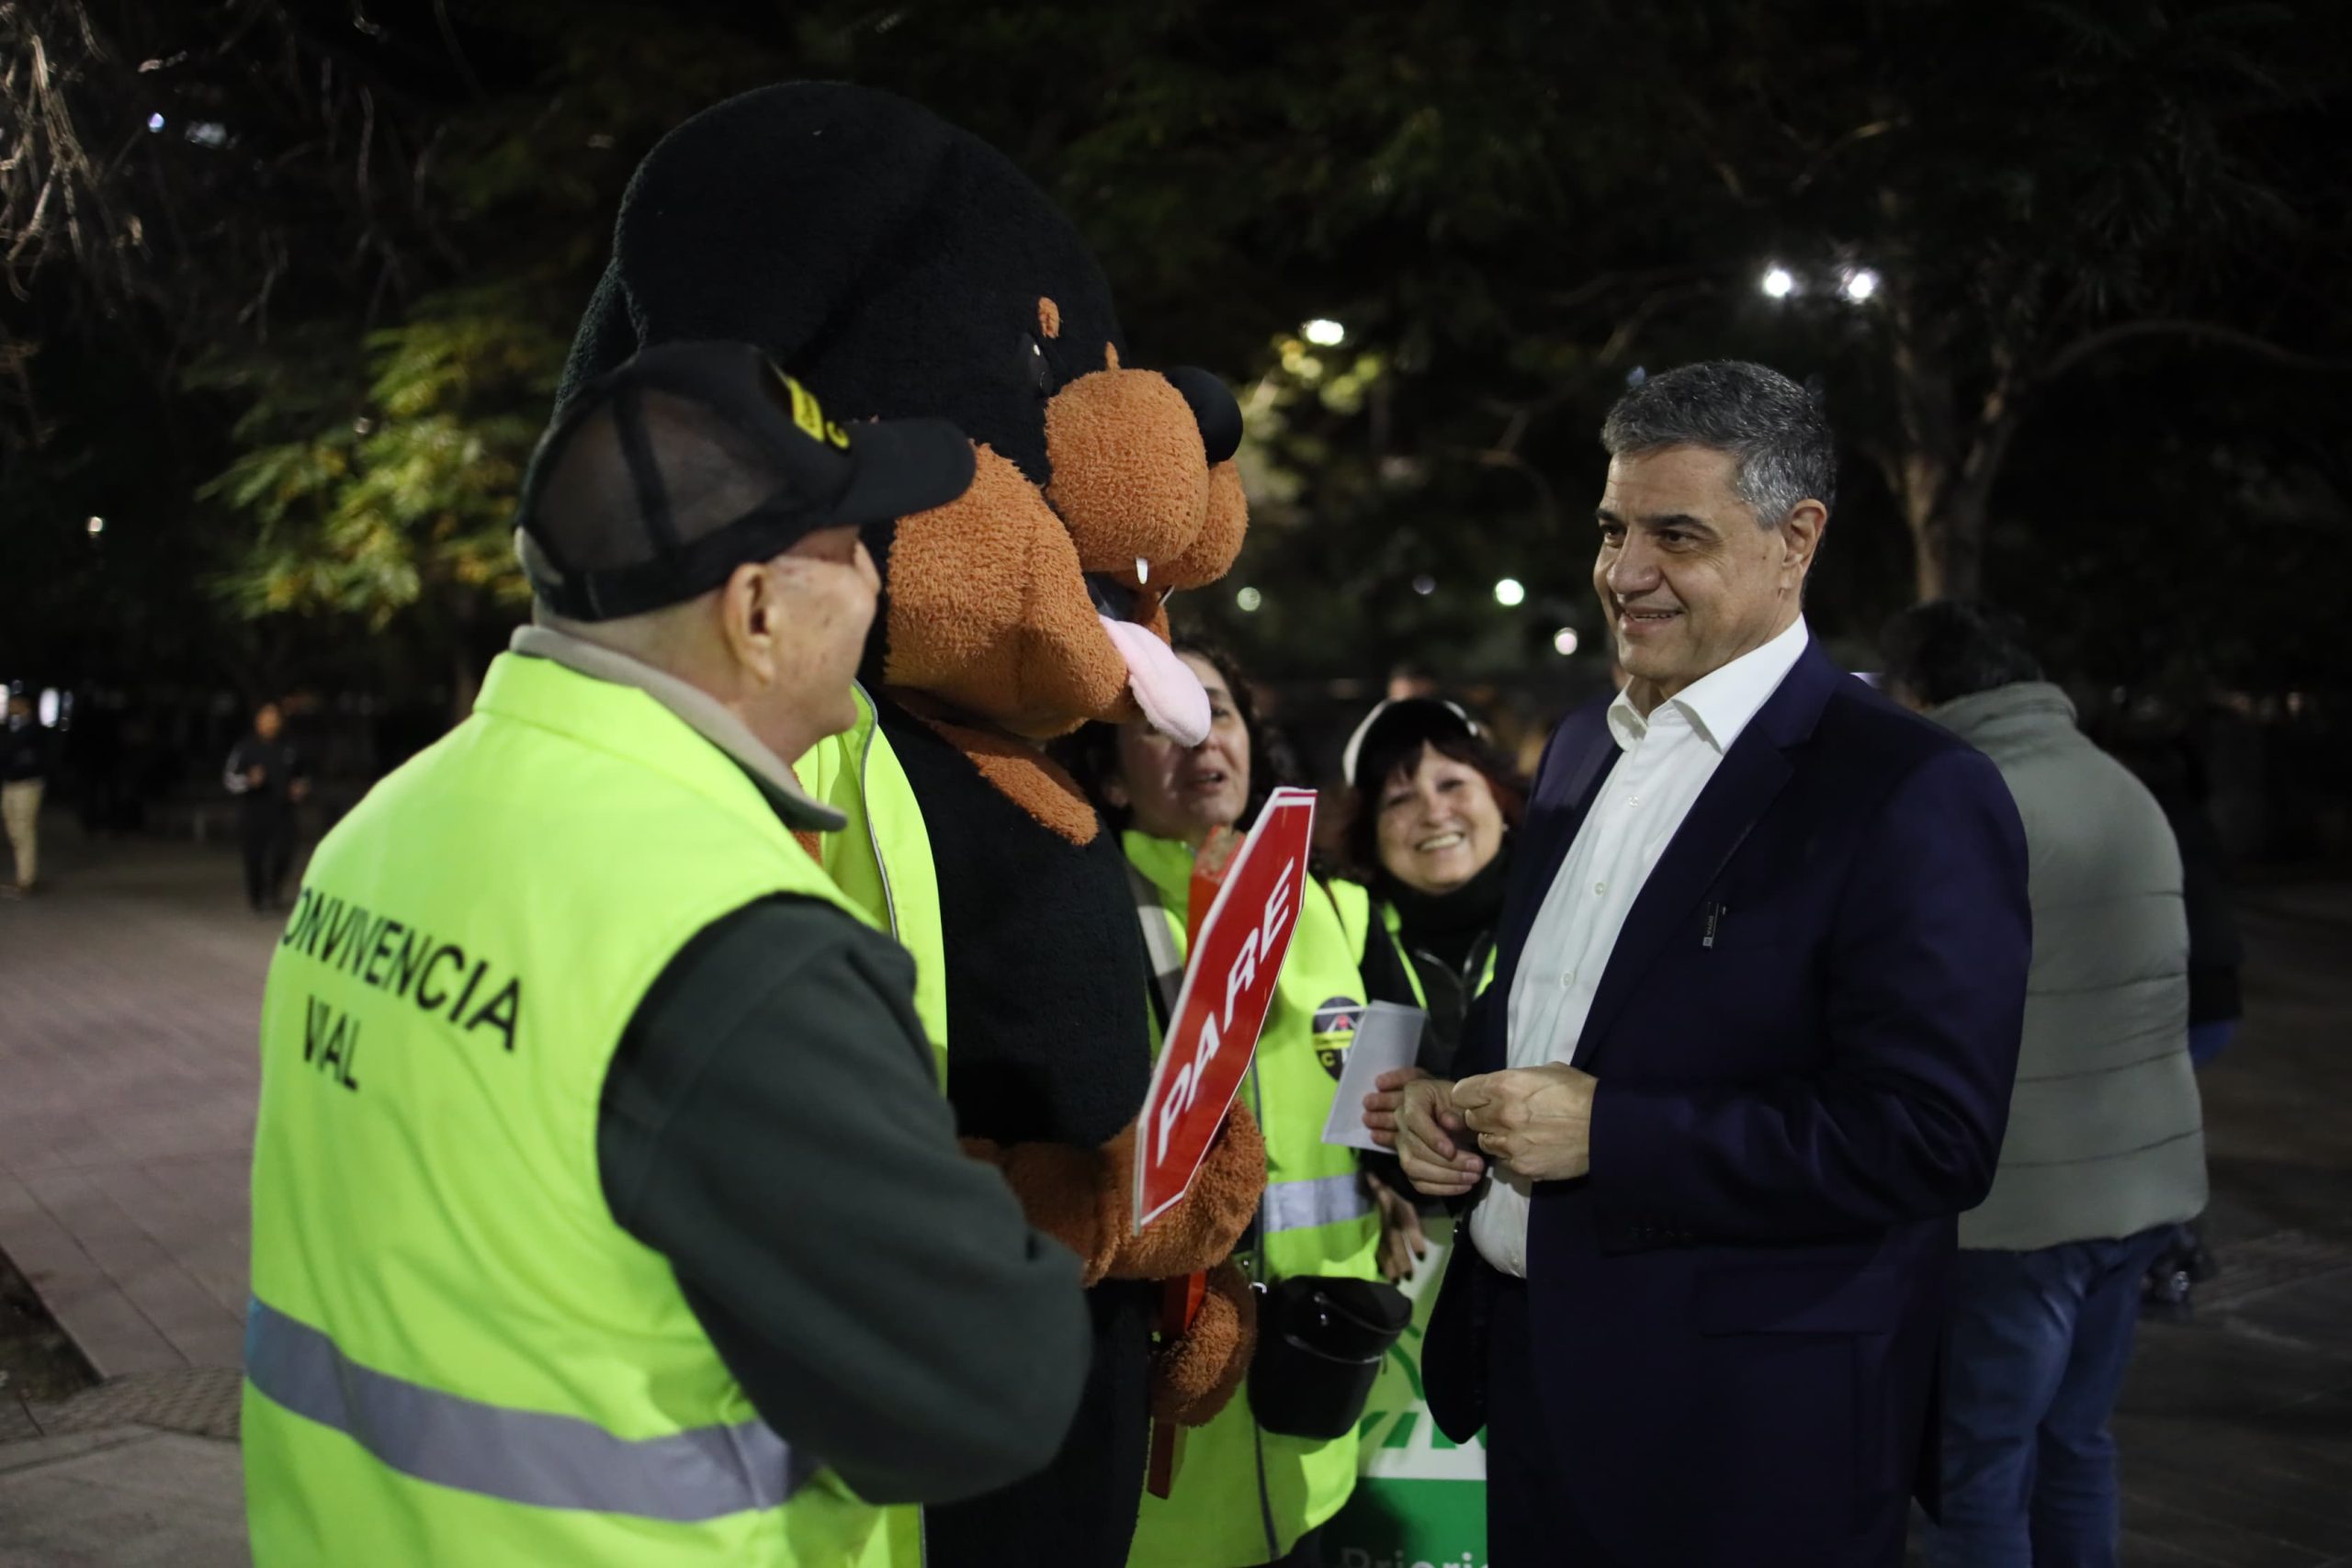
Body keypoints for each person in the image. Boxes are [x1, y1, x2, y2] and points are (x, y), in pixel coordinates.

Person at [242, 341, 1092, 1566]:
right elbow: (988, 1390)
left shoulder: (381, 829)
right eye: (853, 548)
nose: (877, 584)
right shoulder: (732, 936)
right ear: (755, 612)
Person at [1365, 360, 2031, 1568]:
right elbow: (1554, 1008)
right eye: (1615, 527)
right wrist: (1449, 1109)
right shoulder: (1578, 745)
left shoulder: (1910, 789)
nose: (1625, 571)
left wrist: (1614, 1132)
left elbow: (1934, 1133)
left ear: (1796, 541)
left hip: (1741, 1439)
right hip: (1530, 1390)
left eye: (1677, 534)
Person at [1880, 600, 2207, 1568]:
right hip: (2138, 1187)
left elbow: (1915, 997)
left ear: (1928, 692)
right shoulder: (2116, 786)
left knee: (1974, 1473)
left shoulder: (1973, 798)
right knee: (2074, 1445)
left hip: (2024, 1206)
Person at [1068, 640, 1404, 1568]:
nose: (1199, 739)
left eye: (1215, 710)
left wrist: (1408, 1167)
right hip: (1166, 1406)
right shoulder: (1081, 917)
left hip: (1316, 1399)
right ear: (1114, 779)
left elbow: (1401, 1097)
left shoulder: (1341, 910)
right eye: (1157, 724)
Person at [1339, 696, 1525, 1077]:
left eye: (1452, 784)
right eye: (1400, 800)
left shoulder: (1565, 909)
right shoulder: (1346, 946)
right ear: (1370, 835)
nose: (1435, 814)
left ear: (1499, 798)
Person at [224, 702, 310, 912]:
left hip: (283, 811)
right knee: (254, 857)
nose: (271, 723)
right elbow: (229, 779)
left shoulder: (290, 747)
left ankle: (273, 892)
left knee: (284, 853)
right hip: (254, 811)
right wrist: (248, 781)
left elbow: (304, 776)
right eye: (266, 718)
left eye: (274, 719)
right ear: (258, 721)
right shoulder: (246, 747)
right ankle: (257, 897)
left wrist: (300, 787)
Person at [2, 692, 52, 896]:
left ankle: (26, 879)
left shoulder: (34, 730)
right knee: (13, 827)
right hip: (10, 782)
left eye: (14, 703)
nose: (10, 706)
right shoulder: (10, 727)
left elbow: (21, 752)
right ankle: (23, 875)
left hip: (27, 783)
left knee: (24, 828)